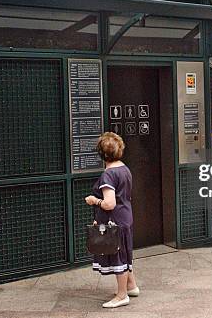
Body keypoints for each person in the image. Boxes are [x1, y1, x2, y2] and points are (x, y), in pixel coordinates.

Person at [85, 132, 138, 308]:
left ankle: (122, 295)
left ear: (101, 154)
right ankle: (131, 286)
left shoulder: (108, 175)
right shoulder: (124, 168)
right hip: (125, 218)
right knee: (124, 252)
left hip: (114, 221)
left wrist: (94, 200)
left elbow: (109, 203)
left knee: (118, 257)